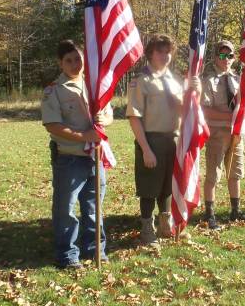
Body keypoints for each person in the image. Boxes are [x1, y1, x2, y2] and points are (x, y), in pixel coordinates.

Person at [41, 40, 113, 269]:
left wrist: (104, 120)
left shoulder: (94, 86)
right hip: (69, 157)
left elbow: (109, 114)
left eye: (78, 58)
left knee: (94, 207)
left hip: (95, 157)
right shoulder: (54, 91)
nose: (75, 64)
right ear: (60, 63)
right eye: (69, 60)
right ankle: (67, 255)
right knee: (66, 209)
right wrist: (85, 137)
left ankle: (95, 250)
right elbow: (52, 125)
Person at [127, 34, 201, 245]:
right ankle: (146, 226)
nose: (165, 56)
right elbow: (134, 117)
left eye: (168, 52)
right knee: (150, 186)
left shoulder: (174, 80)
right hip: (151, 139)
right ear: (150, 54)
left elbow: (184, 109)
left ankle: (165, 222)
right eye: (160, 51)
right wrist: (146, 149)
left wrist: (193, 92)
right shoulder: (142, 81)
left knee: (168, 184)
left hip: (173, 140)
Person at [200, 40, 245, 229]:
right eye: (222, 55)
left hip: (236, 134)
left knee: (236, 172)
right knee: (213, 174)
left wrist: (241, 125)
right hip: (217, 133)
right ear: (215, 57)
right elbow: (204, 110)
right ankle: (209, 213)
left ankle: (235, 210)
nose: (226, 59)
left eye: (230, 56)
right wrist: (231, 116)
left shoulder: (238, 80)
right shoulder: (208, 80)